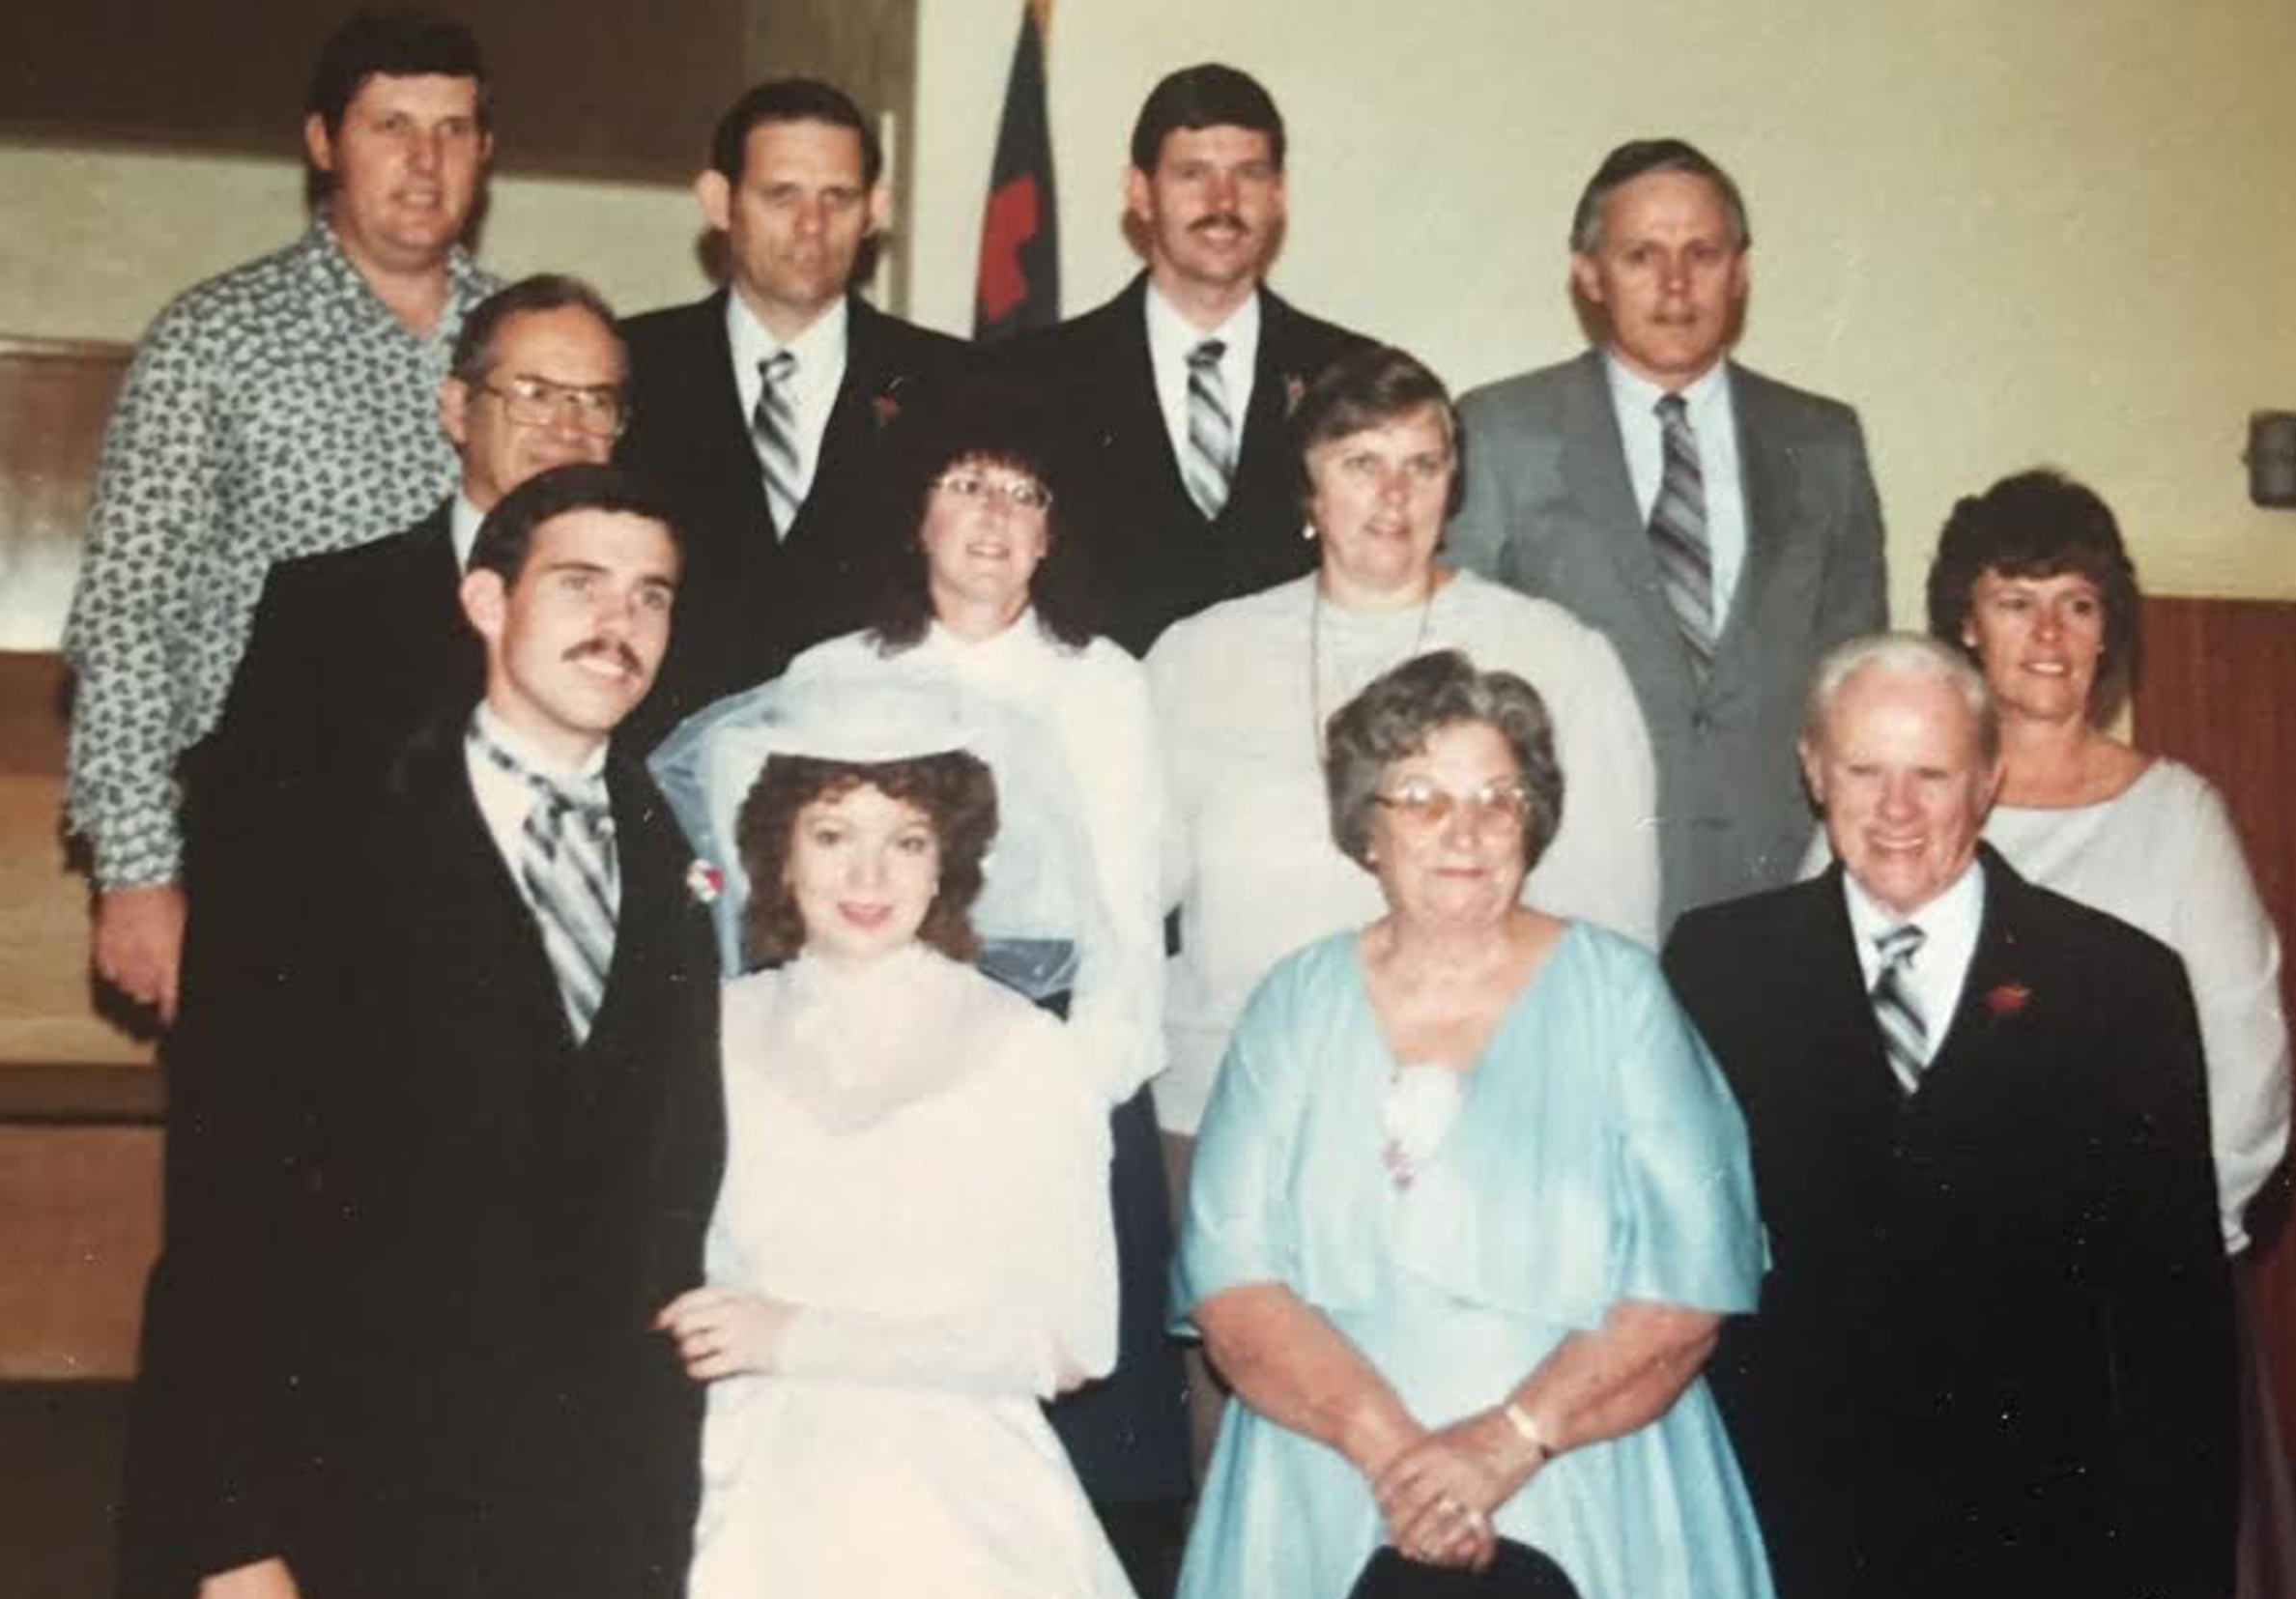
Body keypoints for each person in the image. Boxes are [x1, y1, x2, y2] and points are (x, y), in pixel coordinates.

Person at [56, 466, 724, 1599]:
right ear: (486, 601)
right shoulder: (320, 847)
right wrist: (231, 1548)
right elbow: (226, 1219)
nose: (620, 624)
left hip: (569, 1568)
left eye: (650, 596)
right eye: (580, 585)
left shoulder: (671, 855)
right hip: (342, 1537)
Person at [1169, 647, 1800, 1599]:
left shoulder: (1624, 997)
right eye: (1422, 797)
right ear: (1366, 828)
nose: (1463, 830)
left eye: (1496, 798)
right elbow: (1233, 1284)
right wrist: (1404, 1465)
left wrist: (1506, 1443)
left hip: (1580, 1483)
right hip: (1331, 1493)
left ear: (1533, 820)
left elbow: (1688, 1286)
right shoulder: (1291, 1005)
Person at [587, 680, 1189, 1599]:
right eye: (833, 836)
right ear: (777, 853)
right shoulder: (716, 1031)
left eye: (905, 840)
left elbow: (1069, 1346)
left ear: (948, 858)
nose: (867, 876)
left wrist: (800, 1337)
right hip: (748, 1499)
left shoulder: (1025, 1053)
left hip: (952, 1497)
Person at [1664, 633, 2239, 1599]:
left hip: (2030, 1590)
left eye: (1930, 774)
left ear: (1988, 779)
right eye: (1864, 770)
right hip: (1789, 1575)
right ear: (1811, 769)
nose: (1896, 809)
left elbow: (2174, 1323)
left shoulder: (2117, 987)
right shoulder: (1717, 968)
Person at [1918, 471, 2296, 1599]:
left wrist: (2138, 1280)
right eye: (2015, 600)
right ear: (1963, 622)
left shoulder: (2177, 818)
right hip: (1948, 1320)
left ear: (2111, 628)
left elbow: (2248, 1081)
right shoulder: (1911, 804)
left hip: (2132, 1317)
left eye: (2078, 604)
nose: (2048, 635)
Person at [778, 380, 1191, 1599]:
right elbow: (787, 901)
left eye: (1025, 494)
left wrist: (1071, 1093)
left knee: (1071, 1442)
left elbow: (1135, 905)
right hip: (875, 1084)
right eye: (967, 486)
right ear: (917, 516)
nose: (995, 517)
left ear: (1053, 534)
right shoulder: (833, 673)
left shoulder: (1104, 682)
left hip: (1063, 1069)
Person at [63, 6, 499, 1021]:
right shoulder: (214, 341)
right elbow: (128, 614)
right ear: (322, 143)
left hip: (481, 843)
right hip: (274, 834)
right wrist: (136, 870)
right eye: (391, 126)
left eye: (452, 129)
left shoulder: (527, 349)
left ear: (485, 151)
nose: (425, 162)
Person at [1146, 345, 1658, 1155]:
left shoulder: (1558, 655)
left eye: (1423, 465)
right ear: (1308, 488)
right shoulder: (1198, 656)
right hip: (1230, 1100)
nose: (1394, 494)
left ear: (1452, 488)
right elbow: (1128, 899)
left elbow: (1613, 926)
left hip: (1477, 1111)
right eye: (1362, 463)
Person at [1445, 138, 1885, 931]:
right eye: (1642, 255)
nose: (1676, 284)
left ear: (1740, 271)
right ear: (1589, 275)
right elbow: (1458, 677)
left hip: (1781, 884)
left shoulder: (1823, 443)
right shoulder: (1501, 433)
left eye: (1702, 254)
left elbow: (1857, 682)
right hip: (1565, 884)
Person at [187, 273, 630, 842]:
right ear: (457, 409)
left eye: (596, 401)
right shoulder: (327, 610)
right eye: (534, 394)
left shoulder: (653, 614)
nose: (567, 428)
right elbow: (239, 845)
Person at [617, 76, 973, 744]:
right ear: (719, 201)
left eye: (837, 197)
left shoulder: (950, 383)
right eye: (781, 195)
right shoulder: (629, 368)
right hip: (658, 767)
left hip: (875, 765)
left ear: (875, 209)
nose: (812, 225)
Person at [995, 62, 1370, 653]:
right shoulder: (1034, 377)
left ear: (1278, 195)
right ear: (1139, 193)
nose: (1223, 201)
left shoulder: (1351, 375)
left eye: (1248, 174)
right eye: (1193, 174)